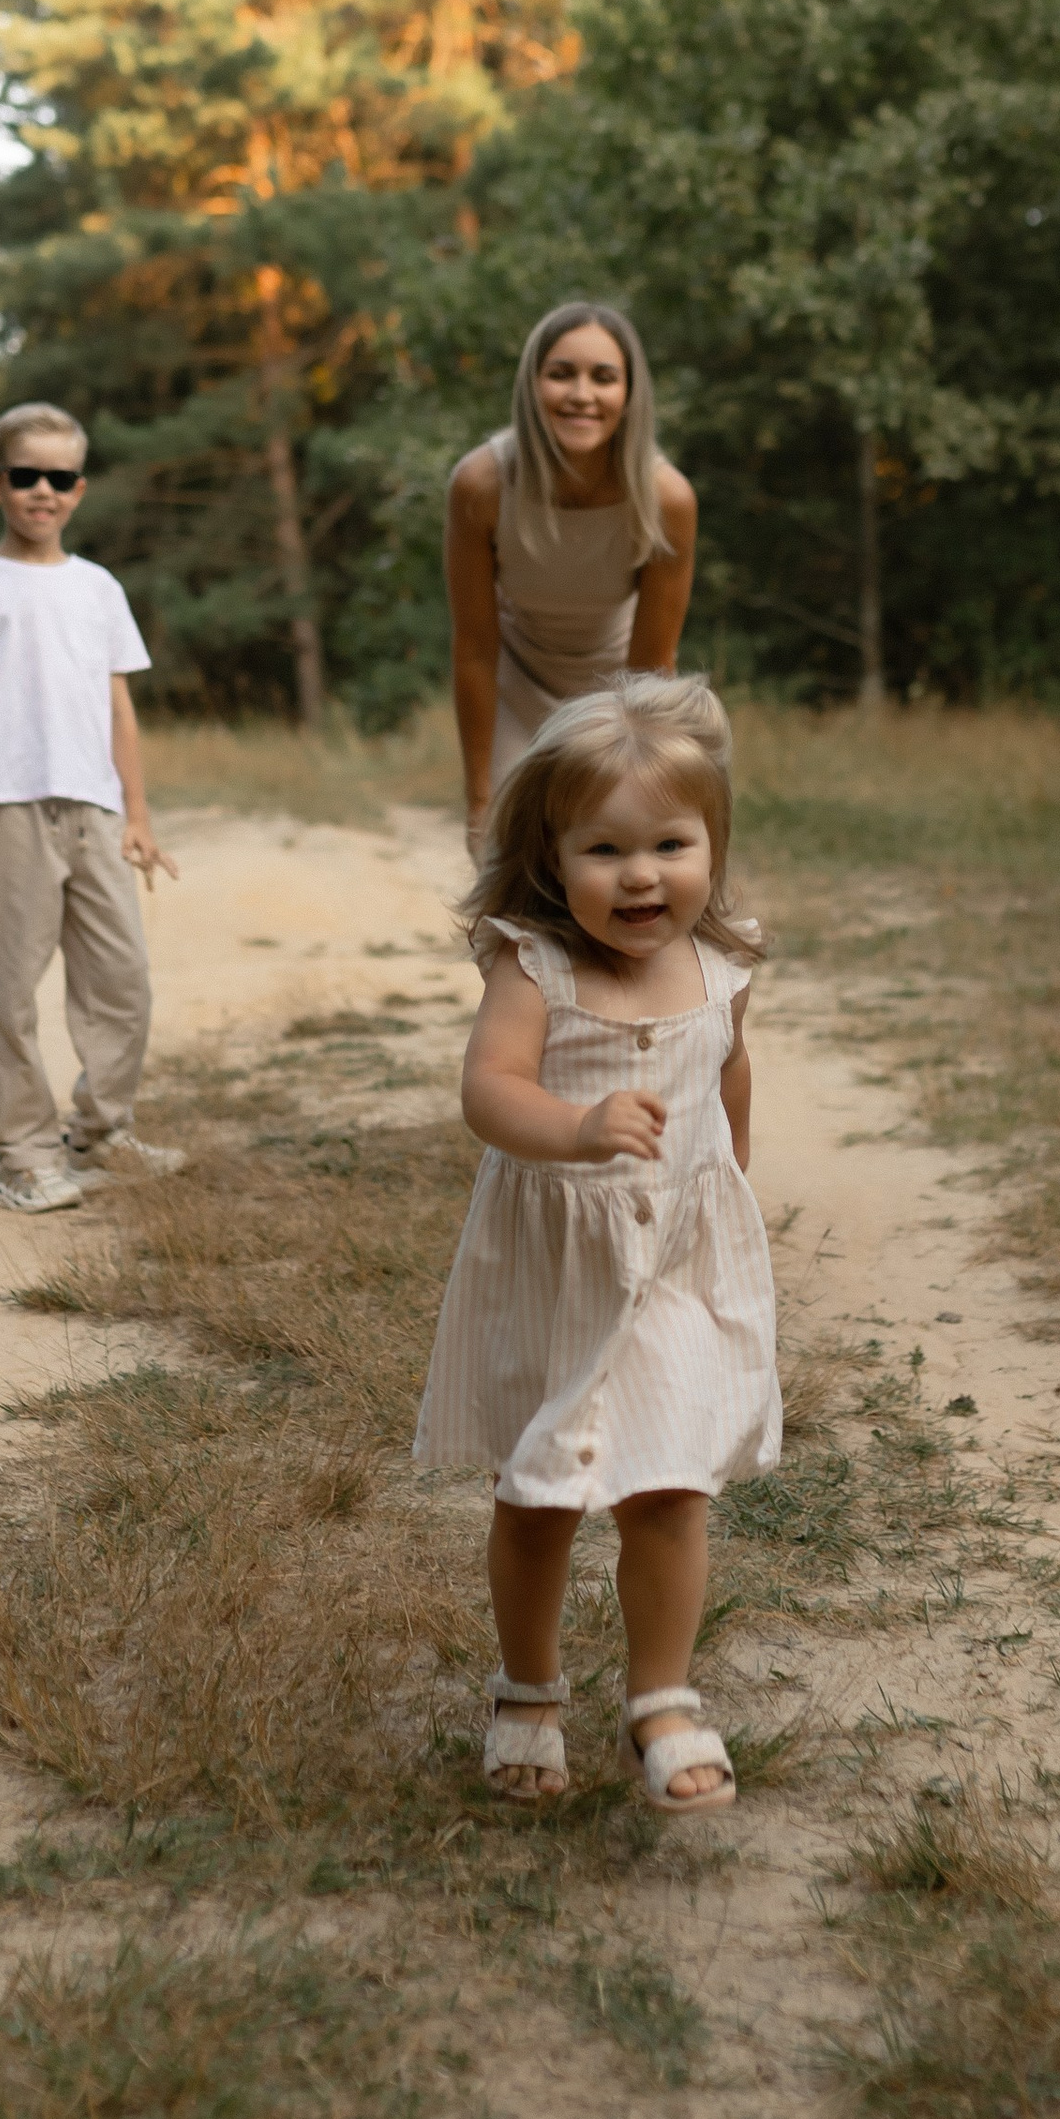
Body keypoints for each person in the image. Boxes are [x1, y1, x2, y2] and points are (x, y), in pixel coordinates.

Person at [414, 670, 776, 1813]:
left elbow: (728, 1080)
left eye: (670, 844)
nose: (639, 876)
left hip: (673, 1263)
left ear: (711, 844)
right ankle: (527, 1690)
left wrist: (727, 1189)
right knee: (541, 1492)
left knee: (670, 1488)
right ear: (550, 855)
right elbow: (487, 1091)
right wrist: (572, 1129)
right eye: (604, 851)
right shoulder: (537, 967)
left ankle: (661, 1697)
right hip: (558, 1263)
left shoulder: (722, 967)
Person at [0, 402, 177, 1215]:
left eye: (59, 478)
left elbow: (118, 709)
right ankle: (23, 1154)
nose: (42, 491)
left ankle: (99, 1132)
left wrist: (136, 813)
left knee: (122, 979)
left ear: (79, 489)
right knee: (12, 989)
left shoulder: (98, 588)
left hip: (93, 809)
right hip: (8, 810)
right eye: (25, 475)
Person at [445, 301, 697, 849]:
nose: (582, 394)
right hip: (517, 680)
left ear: (629, 394)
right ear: (532, 386)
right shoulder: (480, 484)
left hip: (618, 688)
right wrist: (479, 797)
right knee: (511, 861)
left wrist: (639, 774)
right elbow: (473, 650)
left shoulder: (667, 499)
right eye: (561, 374)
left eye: (603, 377)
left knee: (616, 851)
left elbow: (653, 664)